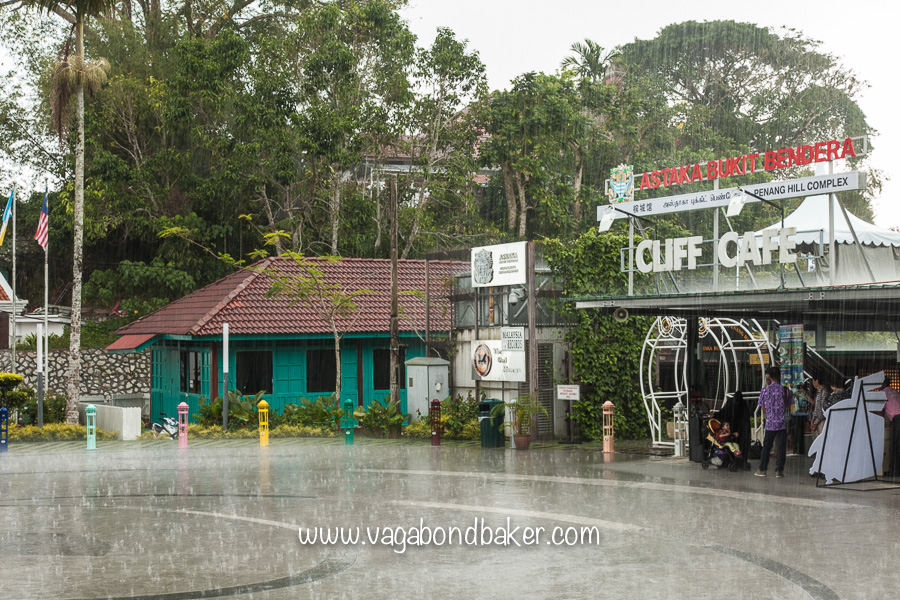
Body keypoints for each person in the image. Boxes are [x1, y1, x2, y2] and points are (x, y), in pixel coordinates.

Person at [755, 366, 792, 478]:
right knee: (781, 447)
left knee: (767, 446)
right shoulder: (785, 390)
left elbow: (762, 407)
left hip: (770, 423)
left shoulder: (765, 390)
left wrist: (771, 413)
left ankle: (762, 469)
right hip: (782, 423)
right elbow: (789, 405)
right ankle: (779, 470)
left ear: (769, 376)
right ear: (779, 376)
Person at [881, 377, 900, 476]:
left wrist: (881, 423)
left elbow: (881, 410)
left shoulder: (882, 393)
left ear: (883, 384)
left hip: (897, 420)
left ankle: (894, 471)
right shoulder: (895, 391)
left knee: (894, 446)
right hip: (897, 418)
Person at [810, 372, 831, 438]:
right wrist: (813, 420)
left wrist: (815, 422)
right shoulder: (819, 392)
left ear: (817, 381)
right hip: (817, 421)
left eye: (813, 380)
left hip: (821, 422)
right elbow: (817, 408)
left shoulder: (824, 392)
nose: (812, 383)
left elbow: (822, 409)